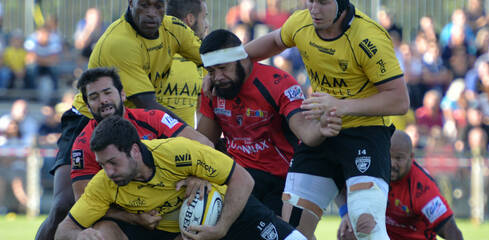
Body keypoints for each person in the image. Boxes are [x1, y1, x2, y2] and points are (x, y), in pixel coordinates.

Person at [230, 0, 410, 239]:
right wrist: (231, 64)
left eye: (323, 2)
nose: (314, 9)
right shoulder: (301, 22)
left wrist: (341, 106)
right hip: (321, 130)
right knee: (292, 229)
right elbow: (274, 41)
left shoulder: (369, 37)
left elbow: (399, 100)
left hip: (365, 134)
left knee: (367, 227)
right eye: (310, 0)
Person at [37, 1, 203, 239]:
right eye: (144, 5)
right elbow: (149, 103)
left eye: (158, 6)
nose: (152, 13)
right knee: (65, 205)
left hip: (130, 118)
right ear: (130, 4)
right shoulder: (119, 42)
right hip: (88, 118)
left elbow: (211, 58)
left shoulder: (174, 28)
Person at [54, 116, 306, 240]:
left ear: (133, 149)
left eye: (112, 162)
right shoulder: (104, 184)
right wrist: (78, 236)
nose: (108, 172)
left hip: (225, 210)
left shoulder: (177, 152)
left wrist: (220, 229)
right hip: (173, 234)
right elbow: (64, 228)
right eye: (102, 165)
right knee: (103, 232)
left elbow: (243, 179)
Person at [197, 29, 341, 215]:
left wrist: (321, 128)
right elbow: (203, 144)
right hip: (240, 179)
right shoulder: (213, 90)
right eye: (211, 71)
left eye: (223, 68)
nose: (217, 77)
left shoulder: (278, 83)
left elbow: (305, 132)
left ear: (242, 59)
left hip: (282, 181)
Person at [70, 68, 213, 203]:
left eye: (107, 93)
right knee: (102, 226)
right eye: (94, 97)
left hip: (170, 199)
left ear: (122, 94)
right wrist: (133, 218)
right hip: (124, 211)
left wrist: (197, 176)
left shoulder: (153, 118)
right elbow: (83, 199)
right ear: (87, 106)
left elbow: (205, 144)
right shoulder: (83, 143)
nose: (103, 100)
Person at [337, 130, 463, 240]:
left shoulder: (422, 188)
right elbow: (339, 184)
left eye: (399, 158)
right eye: (388, 156)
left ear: (411, 157)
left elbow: (450, 230)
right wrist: (345, 212)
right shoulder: (372, 168)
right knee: (348, 232)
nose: (392, 164)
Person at [159, 0, 210, 126]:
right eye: (204, 17)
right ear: (190, 19)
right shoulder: (202, 59)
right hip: (184, 142)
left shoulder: (152, 51)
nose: (207, 24)